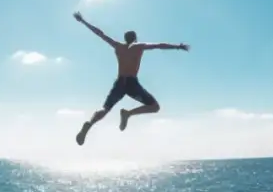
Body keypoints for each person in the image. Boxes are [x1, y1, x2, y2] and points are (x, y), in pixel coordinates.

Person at [72, 11, 189, 145]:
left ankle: (90, 123)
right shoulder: (139, 47)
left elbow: (100, 34)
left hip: (120, 82)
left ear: (125, 38)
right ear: (135, 38)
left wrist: (83, 21)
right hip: (132, 84)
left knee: (105, 109)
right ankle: (128, 113)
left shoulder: (118, 46)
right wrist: (178, 47)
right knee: (154, 107)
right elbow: (159, 45)